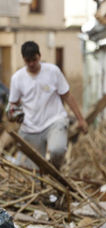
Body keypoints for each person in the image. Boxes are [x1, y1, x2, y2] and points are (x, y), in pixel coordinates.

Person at [8, 41, 87, 169]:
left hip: (54, 121)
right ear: (23, 60)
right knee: (33, 170)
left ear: (39, 56)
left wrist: (81, 120)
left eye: (34, 59)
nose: (32, 64)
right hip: (30, 128)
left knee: (58, 150)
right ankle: (44, 179)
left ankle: (55, 170)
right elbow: (13, 104)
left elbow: (67, 96)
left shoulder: (53, 71)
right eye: (28, 61)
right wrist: (12, 113)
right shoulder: (17, 78)